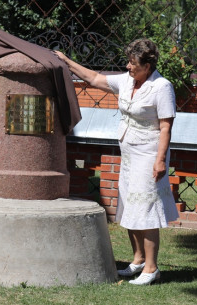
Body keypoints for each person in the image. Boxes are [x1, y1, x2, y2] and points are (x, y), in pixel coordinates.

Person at [54, 38, 179, 285]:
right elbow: (94, 78)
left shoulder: (162, 87)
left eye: (133, 63)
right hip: (130, 153)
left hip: (150, 153)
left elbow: (166, 127)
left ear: (148, 65)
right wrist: (67, 62)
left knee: (146, 208)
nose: (128, 67)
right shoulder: (126, 80)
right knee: (130, 203)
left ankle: (152, 268)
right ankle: (138, 260)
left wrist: (160, 161)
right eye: (128, 62)